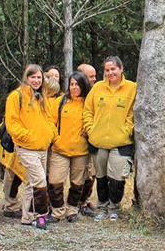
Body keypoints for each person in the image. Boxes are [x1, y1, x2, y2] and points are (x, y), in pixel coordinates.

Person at [83, 56, 137, 222]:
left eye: (113, 69)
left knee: (117, 179)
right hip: (98, 142)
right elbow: (87, 110)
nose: (110, 73)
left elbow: (133, 113)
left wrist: (127, 130)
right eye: (107, 70)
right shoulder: (98, 87)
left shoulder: (132, 88)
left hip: (120, 143)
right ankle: (102, 207)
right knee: (100, 178)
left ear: (121, 69)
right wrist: (91, 130)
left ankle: (114, 207)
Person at [5, 64, 58, 229]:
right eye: (33, 77)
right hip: (26, 148)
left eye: (39, 78)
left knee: (31, 183)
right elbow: (11, 123)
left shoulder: (41, 97)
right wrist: (26, 136)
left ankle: (27, 218)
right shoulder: (17, 96)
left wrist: (51, 134)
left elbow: (49, 119)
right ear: (26, 78)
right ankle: (41, 216)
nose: (36, 80)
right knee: (40, 180)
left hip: (42, 148)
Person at [47, 71, 92, 222]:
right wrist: (55, 138)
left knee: (77, 183)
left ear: (83, 85)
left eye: (77, 84)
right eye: (71, 84)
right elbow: (50, 122)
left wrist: (89, 130)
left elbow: (95, 120)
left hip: (81, 151)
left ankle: (71, 210)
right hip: (60, 149)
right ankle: (57, 212)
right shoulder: (60, 102)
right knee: (55, 182)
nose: (74, 87)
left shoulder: (88, 103)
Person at [76, 63, 98, 217]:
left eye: (95, 76)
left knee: (92, 174)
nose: (94, 79)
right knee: (80, 175)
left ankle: (85, 201)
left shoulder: (96, 93)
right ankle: (77, 203)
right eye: (91, 77)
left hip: (94, 139)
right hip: (77, 142)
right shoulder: (75, 94)